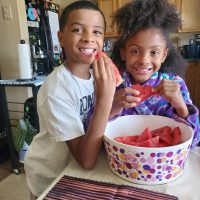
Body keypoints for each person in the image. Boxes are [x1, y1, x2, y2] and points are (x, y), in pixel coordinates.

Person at [24, 1, 116, 198]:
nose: (89, 38)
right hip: (50, 177)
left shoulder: (95, 76)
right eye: (77, 29)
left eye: (97, 32)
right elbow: (86, 161)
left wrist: (114, 106)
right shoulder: (56, 90)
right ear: (61, 38)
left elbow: (91, 122)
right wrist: (105, 100)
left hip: (75, 169)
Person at [110, 0, 200, 149]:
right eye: (135, 51)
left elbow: (194, 141)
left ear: (164, 55)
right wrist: (112, 107)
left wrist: (180, 106)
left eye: (154, 52)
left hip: (162, 163)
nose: (144, 61)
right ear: (123, 53)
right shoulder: (112, 84)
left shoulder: (176, 85)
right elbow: (93, 134)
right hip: (122, 161)